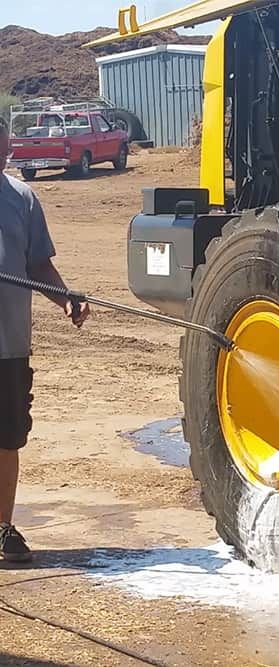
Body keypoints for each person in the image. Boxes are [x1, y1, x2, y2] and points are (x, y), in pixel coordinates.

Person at [0, 116, 90, 562]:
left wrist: (65, 298)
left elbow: (37, 264)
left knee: (7, 438)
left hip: (9, 345)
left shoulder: (21, 197)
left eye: (2, 151)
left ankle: (2, 530)